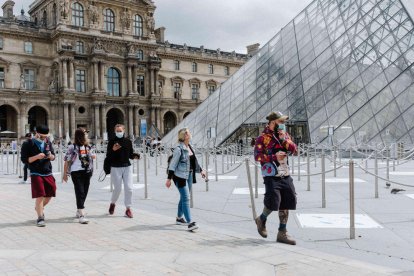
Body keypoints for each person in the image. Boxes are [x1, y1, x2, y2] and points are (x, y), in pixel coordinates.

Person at [254, 111, 297, 245]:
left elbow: (294, 149)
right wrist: (274, 157)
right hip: (271, 174)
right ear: (273, 122)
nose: (283, 124)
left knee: (289, 199)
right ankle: (261, 219)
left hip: (284, 172)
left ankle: (282, 232)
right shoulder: (263, 138)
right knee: (274, 201)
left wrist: (284, 139)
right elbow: (257, 156)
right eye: (281, 121)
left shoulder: (284, 135)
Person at [165, 128, 206, 231]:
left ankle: (179, 218)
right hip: (180, 177)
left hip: (189, 175)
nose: (190, 133)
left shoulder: (189, 147)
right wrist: (169, 179)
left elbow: (194, 161)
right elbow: (173, 165)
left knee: (183, 197)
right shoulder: (179, 149)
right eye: (188, 133)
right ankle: (190, 223)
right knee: (186, 198)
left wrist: (201, 170)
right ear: (184, 136)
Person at [20, 125, 56, 227]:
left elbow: (53, 157)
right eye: (42, 136)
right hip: (35, 172)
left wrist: (51, 156)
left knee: (50, 193)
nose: (44, 138)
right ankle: (40, 217)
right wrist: (37, 157)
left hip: (47, 171)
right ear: (37, 133)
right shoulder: (28, 143)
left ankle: (38, 207)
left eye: (46, 136)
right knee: (40, 194)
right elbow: (24, 160)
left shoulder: (48, 142)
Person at [106, 124, 140, 218]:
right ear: (115, 131)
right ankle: (113, 203)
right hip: (115, 167)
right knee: (117, 189)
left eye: (120, 131)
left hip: (127, 167)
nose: (119, 132)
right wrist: (113, 149)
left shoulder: (128, 141)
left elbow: (130, 154)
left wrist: (135, 156)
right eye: (117, 131)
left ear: (124, 131)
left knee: (129, 188)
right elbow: (108, 156)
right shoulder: (111, 141)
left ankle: (128, 209)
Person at [63, 128, 95, 224]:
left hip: (87, 171)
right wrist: (65, 174)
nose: (87, 136)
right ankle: (81, 213)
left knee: (84, 191)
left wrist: (92, 156)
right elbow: (67, 160)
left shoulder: (88, 147)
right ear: (81, 135)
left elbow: (91, 157)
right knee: (80, 191)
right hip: (76, 171)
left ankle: (78, 209)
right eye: (85, 134)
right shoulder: (72, 147)